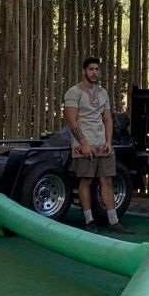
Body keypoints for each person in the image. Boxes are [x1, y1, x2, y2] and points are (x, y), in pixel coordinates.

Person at [63, 56, 119, 231]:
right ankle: (89, 221)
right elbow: (71, 121)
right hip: (84, 144)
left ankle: (113, 221)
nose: (94, 72)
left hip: (102, 144)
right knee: (86, 180)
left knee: (107, 180)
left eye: (96, 69)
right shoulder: (74, 92)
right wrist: (84, 143)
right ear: (84, 71)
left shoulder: (103, 93)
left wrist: (109, 141)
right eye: (91, 69)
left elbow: (108, 119)